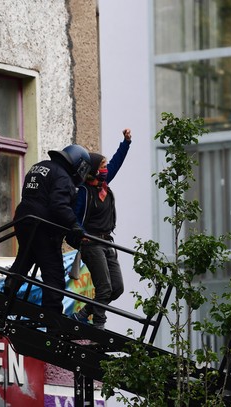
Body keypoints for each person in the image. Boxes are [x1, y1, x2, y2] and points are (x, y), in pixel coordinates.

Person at [4, 144, 91, 315]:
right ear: (78, 163)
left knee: (25, 256)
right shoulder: (63, 176)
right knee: (54, 273)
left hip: (24, 220)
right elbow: (59, 205)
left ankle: (10, 288)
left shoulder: (41, 166)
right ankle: (52, 316)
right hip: (43, 227)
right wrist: (74, 225)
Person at [70, 129, 132, 329]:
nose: (106, 169)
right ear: (95, 169)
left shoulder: (104, 185)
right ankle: (98, 325)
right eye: (103, 166)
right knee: (104, 288)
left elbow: (117, 162)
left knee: (117, 288)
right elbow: (73, 217)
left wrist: (126, 143)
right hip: (91, 242)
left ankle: (84, 314)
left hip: (107, 242)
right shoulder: (84, 192)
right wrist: (81, 236)